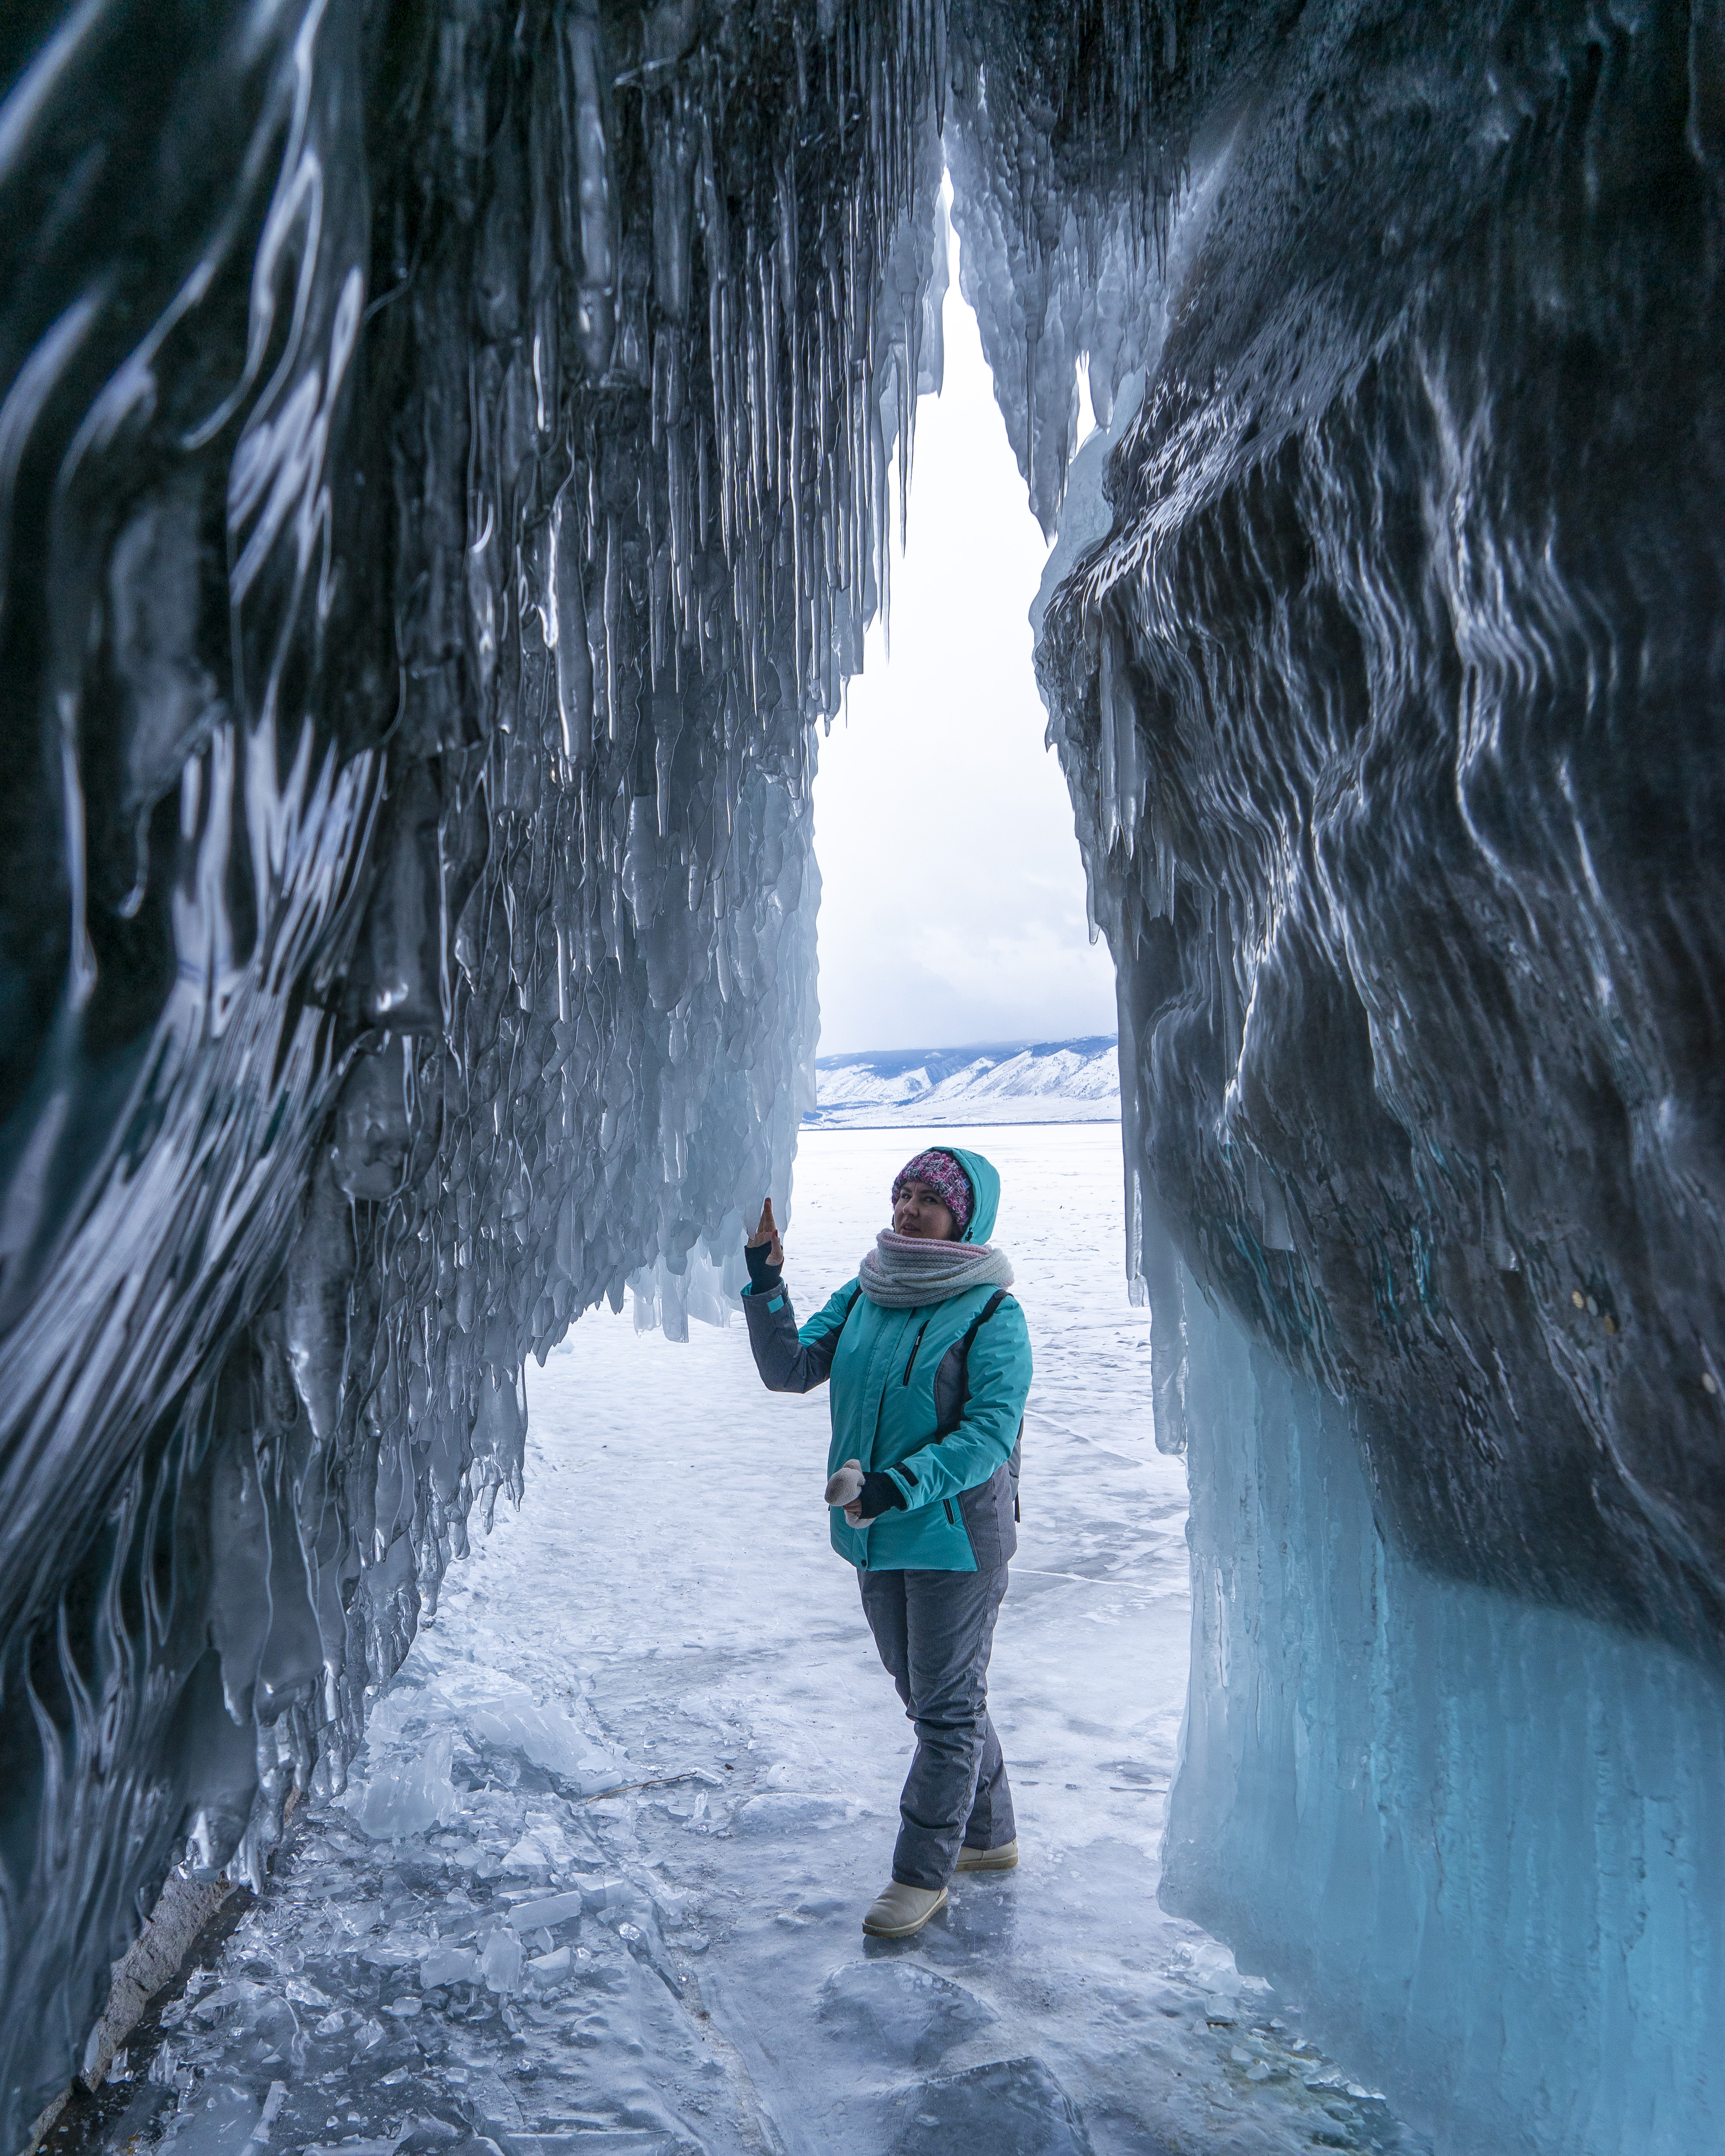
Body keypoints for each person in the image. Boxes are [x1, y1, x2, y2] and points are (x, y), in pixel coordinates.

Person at [741, 1146, 1033, 1939]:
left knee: (944, 1711)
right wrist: (765, 1281)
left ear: (964, 1217)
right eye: (903, 1193)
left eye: (929, 1200)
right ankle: (991, 1835)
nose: (909, 1209)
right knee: (936, 1698)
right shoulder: (869, 1291)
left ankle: (921, 1874)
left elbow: (988, 1435)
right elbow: (792, 1369)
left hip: (950, 1536)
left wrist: (895, 1487)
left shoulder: (990, 1315)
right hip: (875, 1532)